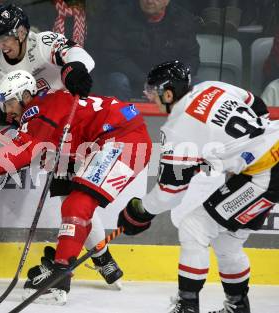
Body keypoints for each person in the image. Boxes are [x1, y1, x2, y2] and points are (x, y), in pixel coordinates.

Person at [0, 3, 125, 289]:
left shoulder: (42, 43)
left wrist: (74, 69)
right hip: (29, 126)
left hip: (63, 127)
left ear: (22, 31)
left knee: (73, 196)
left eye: (6, 37)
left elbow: (81, 56)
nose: (1, 45)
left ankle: (103, 259)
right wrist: (10, 110)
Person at [0, 70, 152, 304]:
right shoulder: (47, 109)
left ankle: (59, 278)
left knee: (77, 205)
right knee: (71, 201)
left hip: (122, 139)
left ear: (25, 95)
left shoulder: (41, 107)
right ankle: (102, 262)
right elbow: (37, 146)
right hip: (100, 143)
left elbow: (28, 145)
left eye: (10, 102)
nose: (8, 110)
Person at [117, 60, 276, 313]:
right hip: (272, 151)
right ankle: (238, 307)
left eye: (153, 91)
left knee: (193, 227)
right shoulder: (212, 87)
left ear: (168, 93)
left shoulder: (178, 128)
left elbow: (170, 193)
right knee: (227, 241)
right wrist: (245, 147)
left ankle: (187, 307)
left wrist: (139, 211)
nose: (150, 97)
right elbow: (256, 103)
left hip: (264, 174)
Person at [98, 0, 200, 101]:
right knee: (117, 80)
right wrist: (145, 80)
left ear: (167, 1)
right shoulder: (121, 16)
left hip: (169, 85)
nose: (149, 1)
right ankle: (126, 116)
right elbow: (113, 55)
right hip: (134, 81)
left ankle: (178, 117)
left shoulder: (182, 20)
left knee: (198, 85)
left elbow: (191, 58)